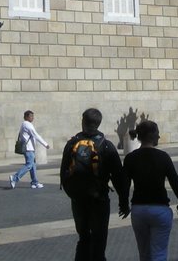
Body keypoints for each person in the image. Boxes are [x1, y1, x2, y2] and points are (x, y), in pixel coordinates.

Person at [60, 108, 128, 261]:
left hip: (78, 200)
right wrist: (124, 202)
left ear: (83, 121)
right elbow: (118, 177)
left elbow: (63, 173)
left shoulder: (72, 143)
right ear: (99, 123)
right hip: (99, 199)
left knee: (83, 238)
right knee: (99, 240)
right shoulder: (106, 146)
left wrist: (73, 193)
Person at [120, 120, 178, 261]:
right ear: (151, 135)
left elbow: (124, 186)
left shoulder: (130, 158)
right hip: (160, 209)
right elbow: (176, 183)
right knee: (159, 253)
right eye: (157, 133)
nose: (159, 136)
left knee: (144, 254)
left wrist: (124, 206)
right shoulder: (163, 157)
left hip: (138, 210)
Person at [9, 110, 50, 189]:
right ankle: (14, 178)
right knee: (29, 165)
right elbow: (36, 135)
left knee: (33, 165)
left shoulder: (24, 124)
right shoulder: (28, 125)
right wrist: (45, 144)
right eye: (31, 116)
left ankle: (34, 182)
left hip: (29, 148)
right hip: (29, 148)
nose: (33, 118)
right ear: (27, 117)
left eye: (33, 116)